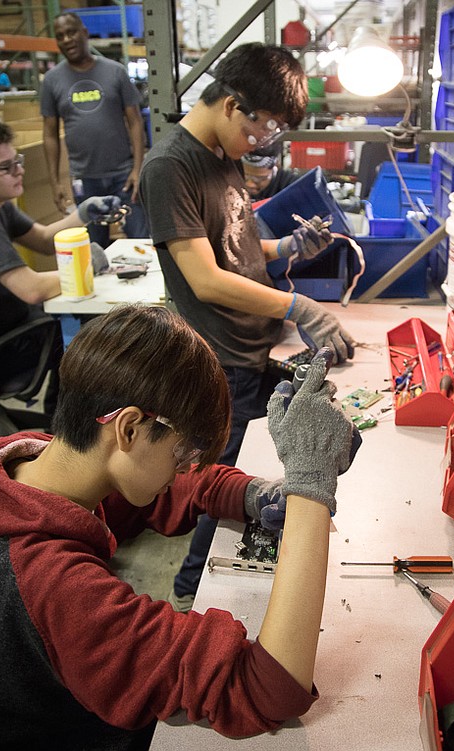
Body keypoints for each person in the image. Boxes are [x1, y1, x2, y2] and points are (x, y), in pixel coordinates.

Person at [0, 303, 357, 748]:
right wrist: (310, 488)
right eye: (183, 454)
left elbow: (162, 486)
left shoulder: (29, 462)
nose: (185, 469)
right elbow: (268, 687)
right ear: (129, 427)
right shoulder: (54, 587)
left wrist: (252, 494)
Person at [139, 42, 356, 612]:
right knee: (222, 484)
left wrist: (286, 247)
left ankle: (234, 578)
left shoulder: (221, 152)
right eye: (266, 130)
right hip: (220, 358)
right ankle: (189, 596)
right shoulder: (170, 167)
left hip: (252, 350)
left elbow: (233, 242)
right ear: (235, 105)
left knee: (272, 454)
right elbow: (205, 278)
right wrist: (299, 307)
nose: (265, 145)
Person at [0, 116, 123, 415]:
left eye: (18, 161)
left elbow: (41, 239)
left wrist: (83, 212)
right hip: (3, 345)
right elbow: (31, 289)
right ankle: (63, 427)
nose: (19, 171)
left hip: (10, 328)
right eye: (6, 167)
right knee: (97, 331)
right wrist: (90, 263)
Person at [41, 12, 149, 248]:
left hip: (124, 176)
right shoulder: (52, 80)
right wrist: (55, 183)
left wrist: (137, 168)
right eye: (60, 36)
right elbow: (49, 134)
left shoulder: (115, 71)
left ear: (84, 33)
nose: (67, 39)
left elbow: (135, 121)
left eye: (71, 32)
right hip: (85, 179)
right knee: (93, 248)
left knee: (141, 239)